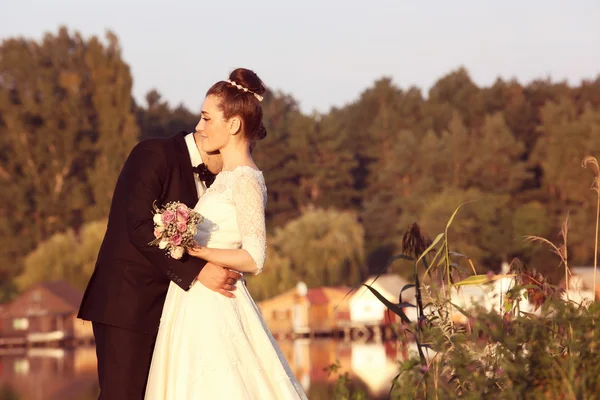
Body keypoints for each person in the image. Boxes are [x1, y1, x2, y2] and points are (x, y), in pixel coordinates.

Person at [145, 68, 307, 399]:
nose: (199, 127)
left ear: (233, 125)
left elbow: (254, 257)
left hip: (216, 303)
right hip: (193, 302)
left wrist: (196, 251)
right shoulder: (226, 177)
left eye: (207, 119)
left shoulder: (245, 180)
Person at [78, 106, 242, 399]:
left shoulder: (218, 184)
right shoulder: (154, 153)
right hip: (127, 305)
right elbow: (138, 226)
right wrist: (199, 271)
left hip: (176, 313)